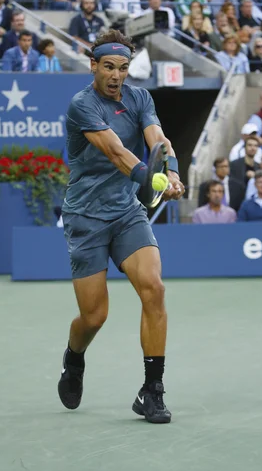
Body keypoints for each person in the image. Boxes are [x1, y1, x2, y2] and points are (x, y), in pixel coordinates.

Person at [58, 28, 185, 424]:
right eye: (108, 67)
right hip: (85, 219)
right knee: (94, 317)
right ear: (93, 66)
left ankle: (152, 390)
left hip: (126, 213)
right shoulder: (82, 105)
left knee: (155, 289)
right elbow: (116, 152)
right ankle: (74, 358)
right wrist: (150, 178)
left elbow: (157, 140)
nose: (116, 76)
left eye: (123, 68)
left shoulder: (140, 97)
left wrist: (173, 171)